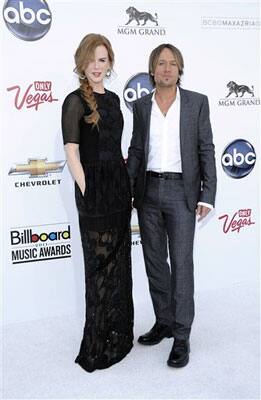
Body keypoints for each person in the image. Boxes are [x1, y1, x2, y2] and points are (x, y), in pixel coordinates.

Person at [127, 43, 217, 368]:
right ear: (152, 70)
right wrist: (127, 191)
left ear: (180, 69)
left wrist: (208, 193)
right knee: (154, 262)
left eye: (173, 63)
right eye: (161, 63)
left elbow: (206, 149)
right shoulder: (140, 107)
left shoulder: (196, 103)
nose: (167, 68)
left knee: (181, 265)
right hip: (148, 191)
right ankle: (163, 321)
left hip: (182, 193)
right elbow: (136, 151)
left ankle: (181, 335)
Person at [62, 33, 134, 373]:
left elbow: (117, 148)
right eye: (91, 59)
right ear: (82, 61)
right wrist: (87, 189)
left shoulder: (117, 99)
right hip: (93, 189)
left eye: (102, 59)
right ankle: (97, 341)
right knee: (99, 268)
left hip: (118, 188)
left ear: (110, 63)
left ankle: (118, 336)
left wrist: (122, 184)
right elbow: (72, 152)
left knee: (120, 263)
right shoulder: (74, 100)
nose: (96, 66)